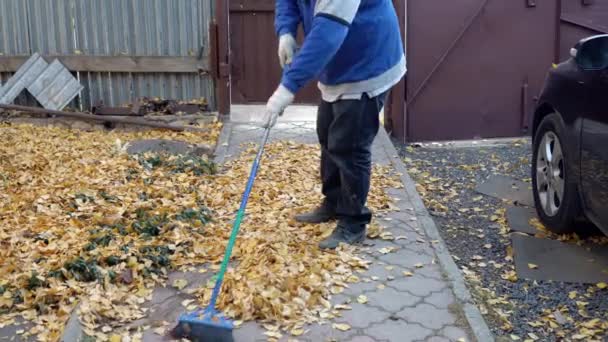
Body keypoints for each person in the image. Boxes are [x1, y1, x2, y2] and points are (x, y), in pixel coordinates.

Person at [263, 0, 406, 249]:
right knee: (328, 133)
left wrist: (288, 86)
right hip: (339, 61)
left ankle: (353, 223)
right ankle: (334, 202)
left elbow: (327, 35)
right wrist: (285, 31)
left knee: (349, 146)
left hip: (367, 60)